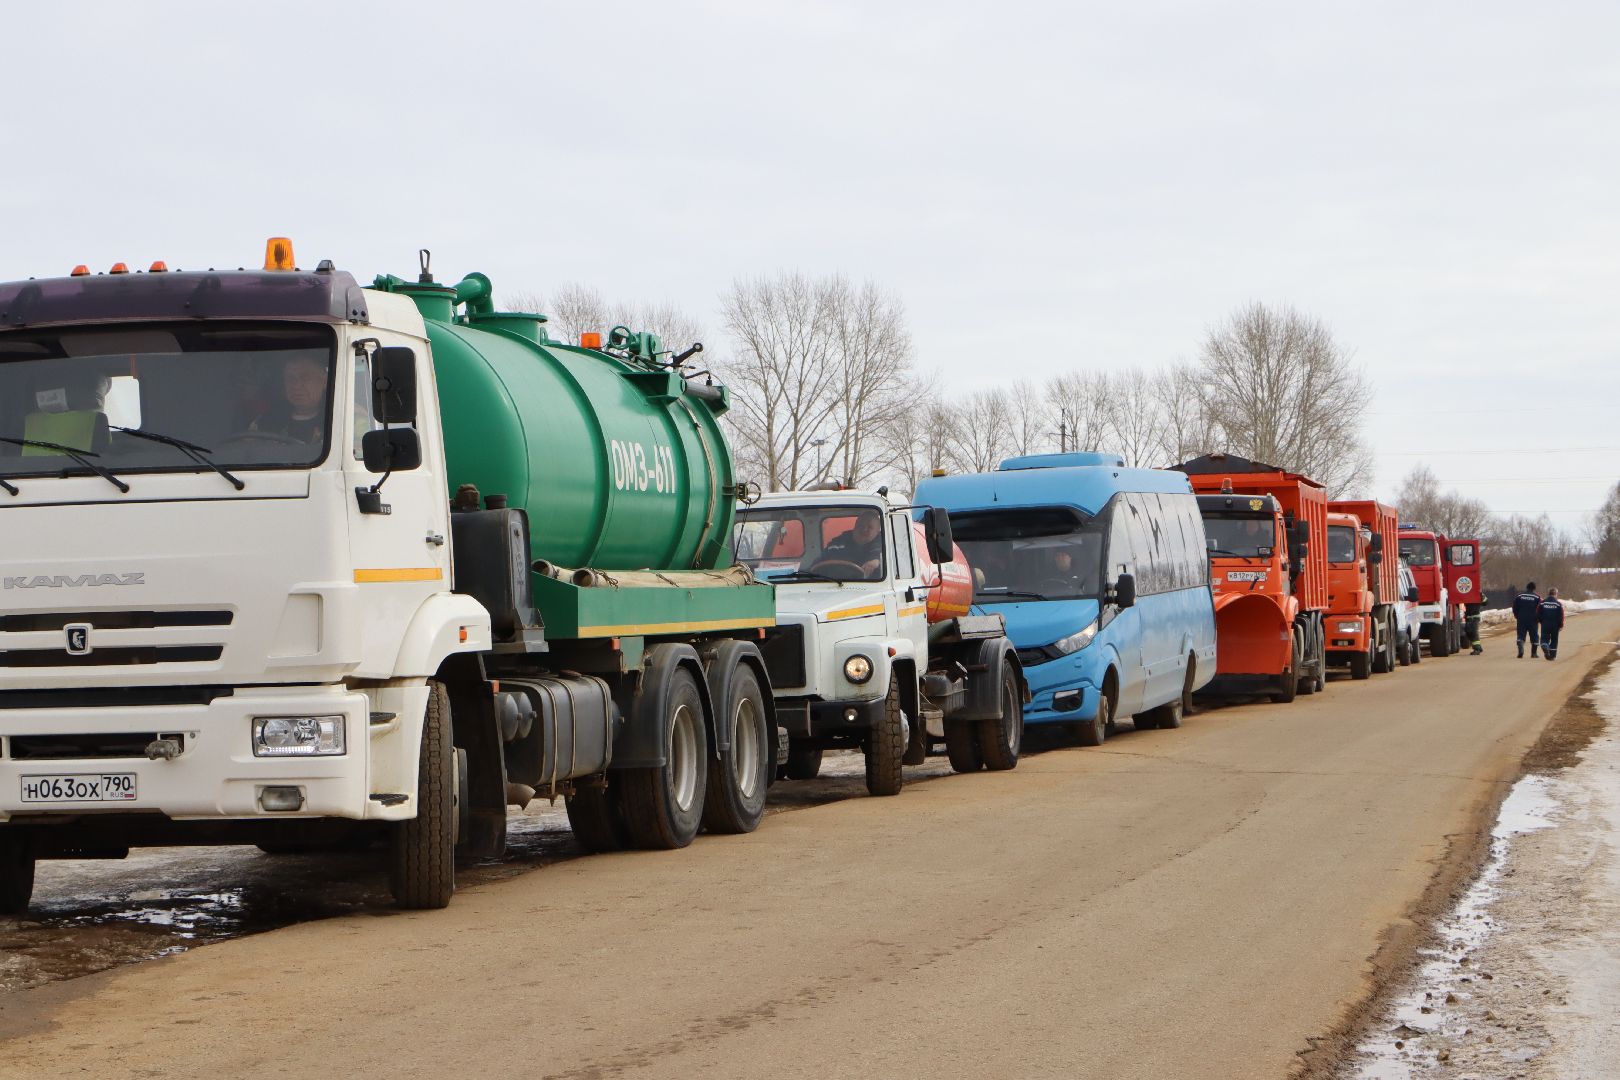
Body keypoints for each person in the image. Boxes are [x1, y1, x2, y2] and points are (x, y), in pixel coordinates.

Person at [251, 355, 328, 443]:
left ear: (324, 381)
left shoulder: (335, 422)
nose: (296, 386)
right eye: (290, 378)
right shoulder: (268, 418)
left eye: (305, 377)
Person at [819, 512, 884, 576]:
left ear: (877, 532)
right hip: (835, 583)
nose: (864, 529)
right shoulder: (837, 543)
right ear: (855, 526)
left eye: (870, 527)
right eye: (861, 525)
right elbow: (818, 563)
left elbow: (878, 550)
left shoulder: (884, 544)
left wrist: (875, 561)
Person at [1512, 582, 1542, 658]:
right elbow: (1540, 609)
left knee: (1521, 635)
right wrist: (1539, 618)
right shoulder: (1537, 597)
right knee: (1534, 636)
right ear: (1534, 588)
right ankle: (1534, 653)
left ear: (1527, 587)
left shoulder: (1519, 596)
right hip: (1533, 619)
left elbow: (1514, 607)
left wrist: (1517, 615)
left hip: (1521, 618)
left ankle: (1521, 649)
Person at [1538, 588, 1565, 661]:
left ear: (1548, 593)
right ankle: (1552, 655)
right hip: (1555, 625)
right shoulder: (1558, 604)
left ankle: (1544, 645)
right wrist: (1561, 625)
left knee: (1544, 637)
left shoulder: (1542, 603)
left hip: (1545, 623)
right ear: (1556, 594)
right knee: (1554, 639)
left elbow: (1538, 613)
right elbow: (1561, 615)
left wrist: (1541, 621)